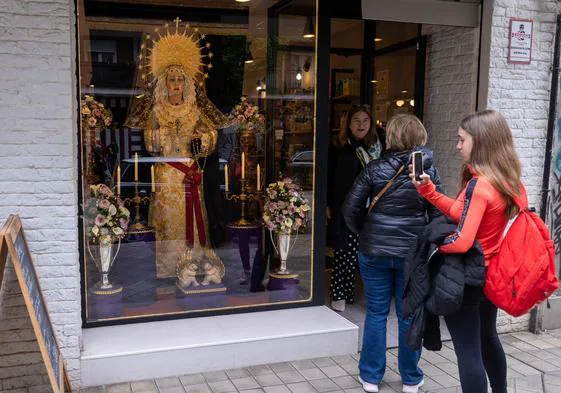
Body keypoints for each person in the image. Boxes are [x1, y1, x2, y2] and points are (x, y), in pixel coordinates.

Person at [410, 109, 521, 393]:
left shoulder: (480, 185)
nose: (458, 145)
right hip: (489, 274)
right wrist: (430, 191)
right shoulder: (507, 179)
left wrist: (436, 247)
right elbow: (464, 213)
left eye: (462, 139)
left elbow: (461, 240)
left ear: (481, 142)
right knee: (488, 339)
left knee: (468, 351)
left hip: (466, 279)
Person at [342, 114, 442, 393]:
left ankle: (371, 377)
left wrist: (367, 232)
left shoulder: (375, 168)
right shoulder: (428, 171)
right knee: (408, 314)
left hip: (374, 252)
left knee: (376, 312)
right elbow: (439, 212)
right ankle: (411, 378)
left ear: (392, 137)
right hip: (413, 253)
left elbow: (349, 209)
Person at [143, 23, 228, 279]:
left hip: (189, 173)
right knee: (169, 224)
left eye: (181, 80)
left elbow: (212, 135)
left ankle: (195, 265)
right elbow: (149, 141)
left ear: (187, 84)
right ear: (164, 84)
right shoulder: (156, 111)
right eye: (172, 80)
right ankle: (168, 269)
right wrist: (157, 136)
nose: (177, 85)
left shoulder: (195, 111)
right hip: (167, 175)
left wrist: (202, 138)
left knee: (193, 219)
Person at [327, 104, 383, 312]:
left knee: (366, 253)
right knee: (344, 252)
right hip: (345, 206)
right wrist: (326, 204)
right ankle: (339, 294)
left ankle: (353, 293)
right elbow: (329, 176)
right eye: (356, 121)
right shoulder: (339, 146)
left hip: (371, 208)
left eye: (365, 121)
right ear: (348, 124)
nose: (361, 125)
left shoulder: (378, 147)